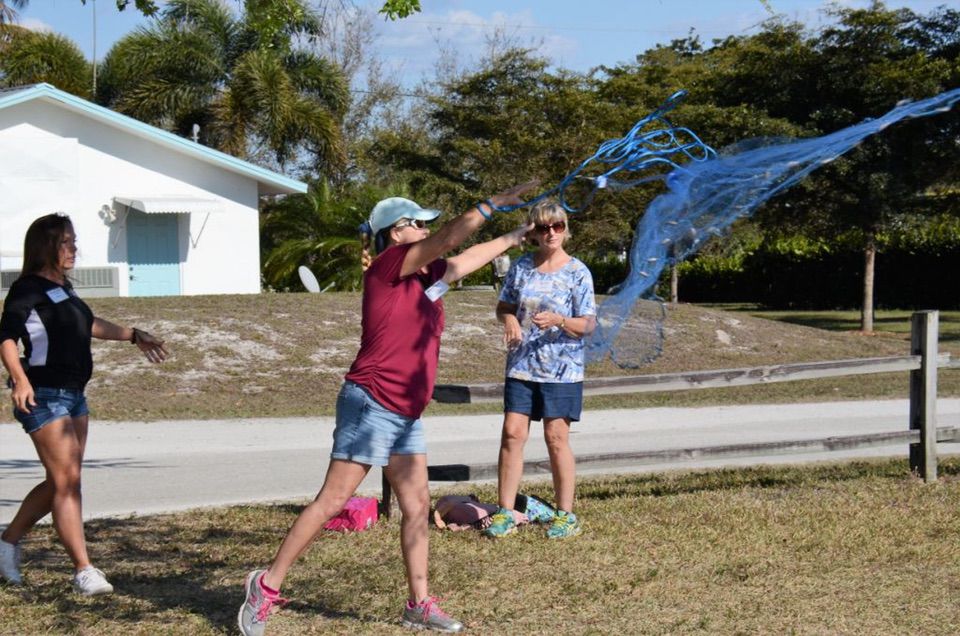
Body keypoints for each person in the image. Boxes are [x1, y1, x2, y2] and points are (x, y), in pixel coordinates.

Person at [238, 181, 536, 635]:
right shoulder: (389, 265)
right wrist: (491, 205)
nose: (421, 228)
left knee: (417, 506)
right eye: (413, 222)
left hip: (405, 413)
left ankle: (418, 605)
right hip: (372, 399)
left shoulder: (425, 275)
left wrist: (515, 237)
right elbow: (449, 239)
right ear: (393, 234)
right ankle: (266, 585)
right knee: (333, 499)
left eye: (422, 222)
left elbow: (460, 259)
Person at [0, 213, 168, 594]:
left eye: (74, 242)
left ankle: (7, 542)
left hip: (74, 395)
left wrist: (132, 335)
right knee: (68, 482)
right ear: (46, 246)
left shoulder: (64, 288)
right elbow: (6, 337)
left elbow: (87, 323)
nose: (74, 249)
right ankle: (84, 570)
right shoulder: (26, 289)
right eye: (66, 242)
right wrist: (20, 378)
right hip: (42, 395)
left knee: (63, 480)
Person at [483, 199, 597, 540]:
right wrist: (509, 322)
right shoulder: (521, 267)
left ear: (565, 229)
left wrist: (561, 320)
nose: (551, 233)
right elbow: (504, 306)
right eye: (544, 227)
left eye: (558, 226)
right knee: (512, 434)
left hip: (561, 371)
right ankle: (505, 512)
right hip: (521, 365)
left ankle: (566, 515)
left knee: (556, 439)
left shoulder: (578, 271)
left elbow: (589, 325)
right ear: (533, 232)